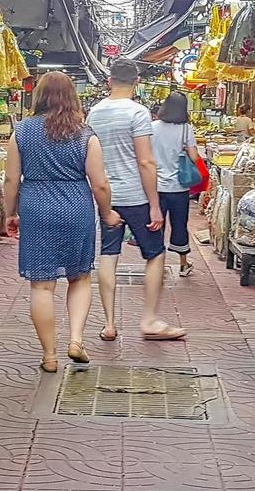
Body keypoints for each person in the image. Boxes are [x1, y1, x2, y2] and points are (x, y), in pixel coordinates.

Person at [3, 71, 120, 373]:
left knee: (41, 287)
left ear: (38, 96)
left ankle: (49, 355)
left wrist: (10, 212)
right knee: (79, 277)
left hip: (36, 208)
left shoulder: (22, 132)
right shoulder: (85, 135)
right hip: (75, 208)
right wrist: (107, 212)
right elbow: (100, 184)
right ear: (72, 98)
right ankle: (76, 340)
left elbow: (11, 179)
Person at [87, 59, 186, 341]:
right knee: (155, 254)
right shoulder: (138, 113)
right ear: (137, 82)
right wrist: (155, 205)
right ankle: (149, 320)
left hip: (106, 195)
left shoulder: (94, 113)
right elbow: (145, 161)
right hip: (136, 197)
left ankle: (108, 323)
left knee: (108, 254)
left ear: (109, 82)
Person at [151, 91, 203, 278]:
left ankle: (157, 264)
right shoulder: (185, 129)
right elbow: (194, 156)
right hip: (179, 187)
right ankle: (183, 263)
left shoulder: (152, 127)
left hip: (155, 186)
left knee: (157, 225)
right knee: (179, 224)